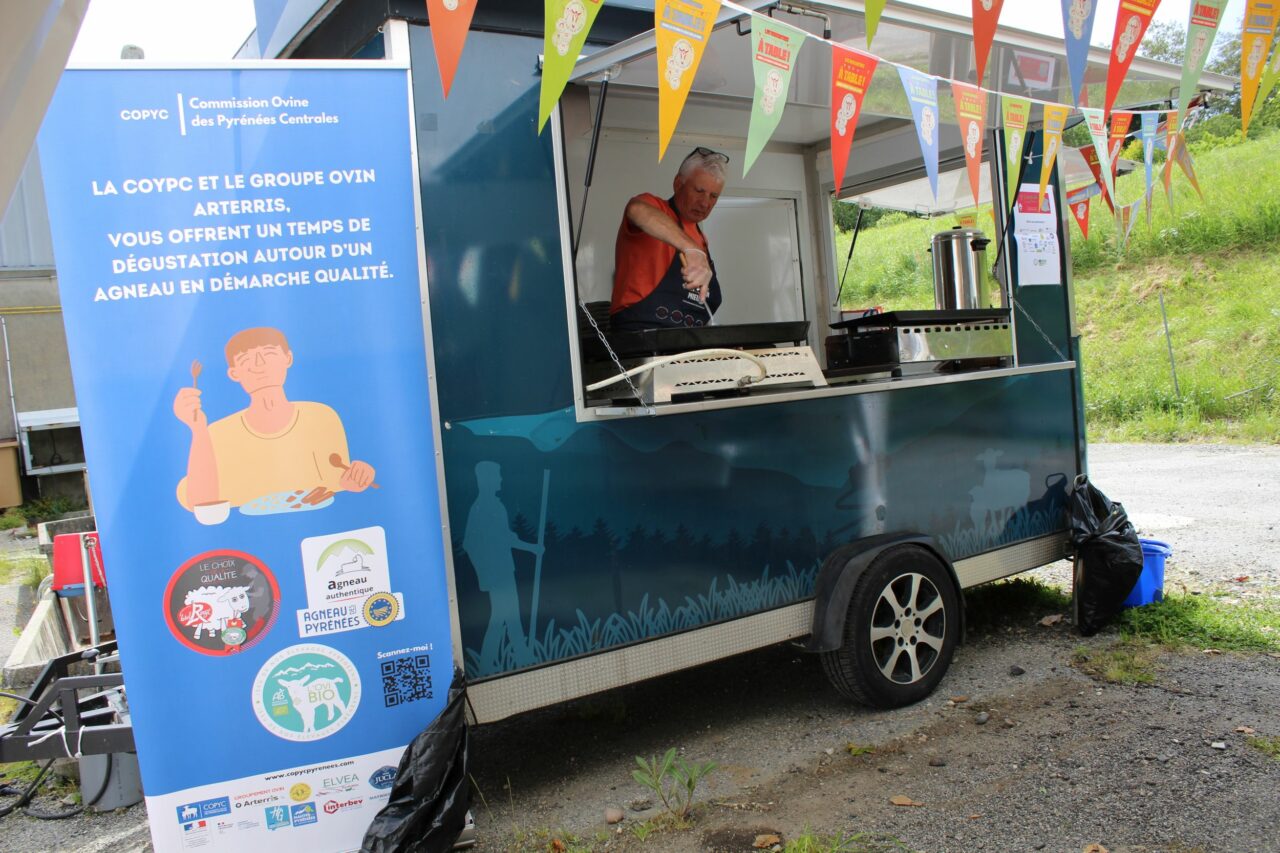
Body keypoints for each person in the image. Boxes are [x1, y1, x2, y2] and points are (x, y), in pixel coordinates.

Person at [173, 326, 375, 510]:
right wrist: (198, 430)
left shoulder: (320, 417)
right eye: (246, 360)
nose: (259, 365)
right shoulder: (217, 434)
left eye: (268, 354)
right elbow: (202, 505)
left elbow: (336, 484)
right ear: (234, 373)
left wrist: (355, 479)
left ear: (288, 358)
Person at [610, 147, 728, 331]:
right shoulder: (653, 207)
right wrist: (692, 249)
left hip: (688, 341)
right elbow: (636, 210)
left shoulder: (702, 239)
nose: (705, 203)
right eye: (699, 191)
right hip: (642, 336)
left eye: (713, 196)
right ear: (678, 184)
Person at [462, 461, 544, 670]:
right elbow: (470, 543)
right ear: (486, 480)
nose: (500, 479)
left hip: (503, 570)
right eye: (497, 475)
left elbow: (506, 537)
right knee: (503, 617)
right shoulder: (484, 508)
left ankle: (512, 659)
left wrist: (532, 548)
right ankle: (495, 664)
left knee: (507, 617)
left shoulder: (492, 506)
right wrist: (485, 572)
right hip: (498, 573)